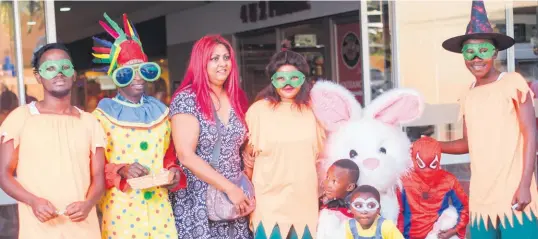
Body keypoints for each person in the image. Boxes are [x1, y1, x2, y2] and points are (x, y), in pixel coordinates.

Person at [440, 1, 538, 238]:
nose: (476, 58)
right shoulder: (468, 93)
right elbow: (467, 142)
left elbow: (531, 133)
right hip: (482, 196)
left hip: (514, 192)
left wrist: (525, 184)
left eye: (483, 50)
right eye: (469, 51)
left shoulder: (512, 83)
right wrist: (435, 145)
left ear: (494, 52)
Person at [90, 13, 185, 239]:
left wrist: (174, 172)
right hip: (121, 214)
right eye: (127, 73)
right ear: (115, 76)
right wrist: (121, 169)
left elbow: (170, 156)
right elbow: (90, 167)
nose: (138, 78)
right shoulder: (100, 117)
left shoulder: (162, 113)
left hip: (160, 211)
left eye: (144, 70)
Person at [0, 43, 105, 238]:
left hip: (84, 229)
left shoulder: (90, 122)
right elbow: (3, 174)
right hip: (39, 230)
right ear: (38, 77)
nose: (59, 73)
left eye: (65, 67)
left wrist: (88, 204)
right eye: (50, 68)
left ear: (73, 74)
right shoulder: (20, 118)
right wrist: (32, 201)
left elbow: (98, 177)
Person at [169, 34, 253, 239]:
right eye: (214, 59)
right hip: (199, 199)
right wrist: (228, 188)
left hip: (234, 199)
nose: (222, 64)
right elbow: (185, 155)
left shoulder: (237, 97)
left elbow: (238, 143)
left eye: (226, 58)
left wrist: (248, 157)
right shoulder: (187, 99)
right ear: (201, 62)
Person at [243, 50, 326, 239]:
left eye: (294, 77)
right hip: (268, 204)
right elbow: (249, 158)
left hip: (304, 204)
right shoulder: (258, 111)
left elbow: (322, 158)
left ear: (303, 79)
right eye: (281, 78)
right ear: (272, 80)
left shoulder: (315, 111)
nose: (287, 83)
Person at [397, 136, 469, 239]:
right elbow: (398, 212)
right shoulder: (403, 180)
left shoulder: (448, 179)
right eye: (422, 164)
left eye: (432, 165)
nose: (427, 171)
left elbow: (464, 207)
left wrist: (453, 231)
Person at [317, 159, 359, 239]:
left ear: (350, 187)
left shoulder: (349, 216)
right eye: (327, 177)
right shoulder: (323, 201)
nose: (327, 184)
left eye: (334, 181)